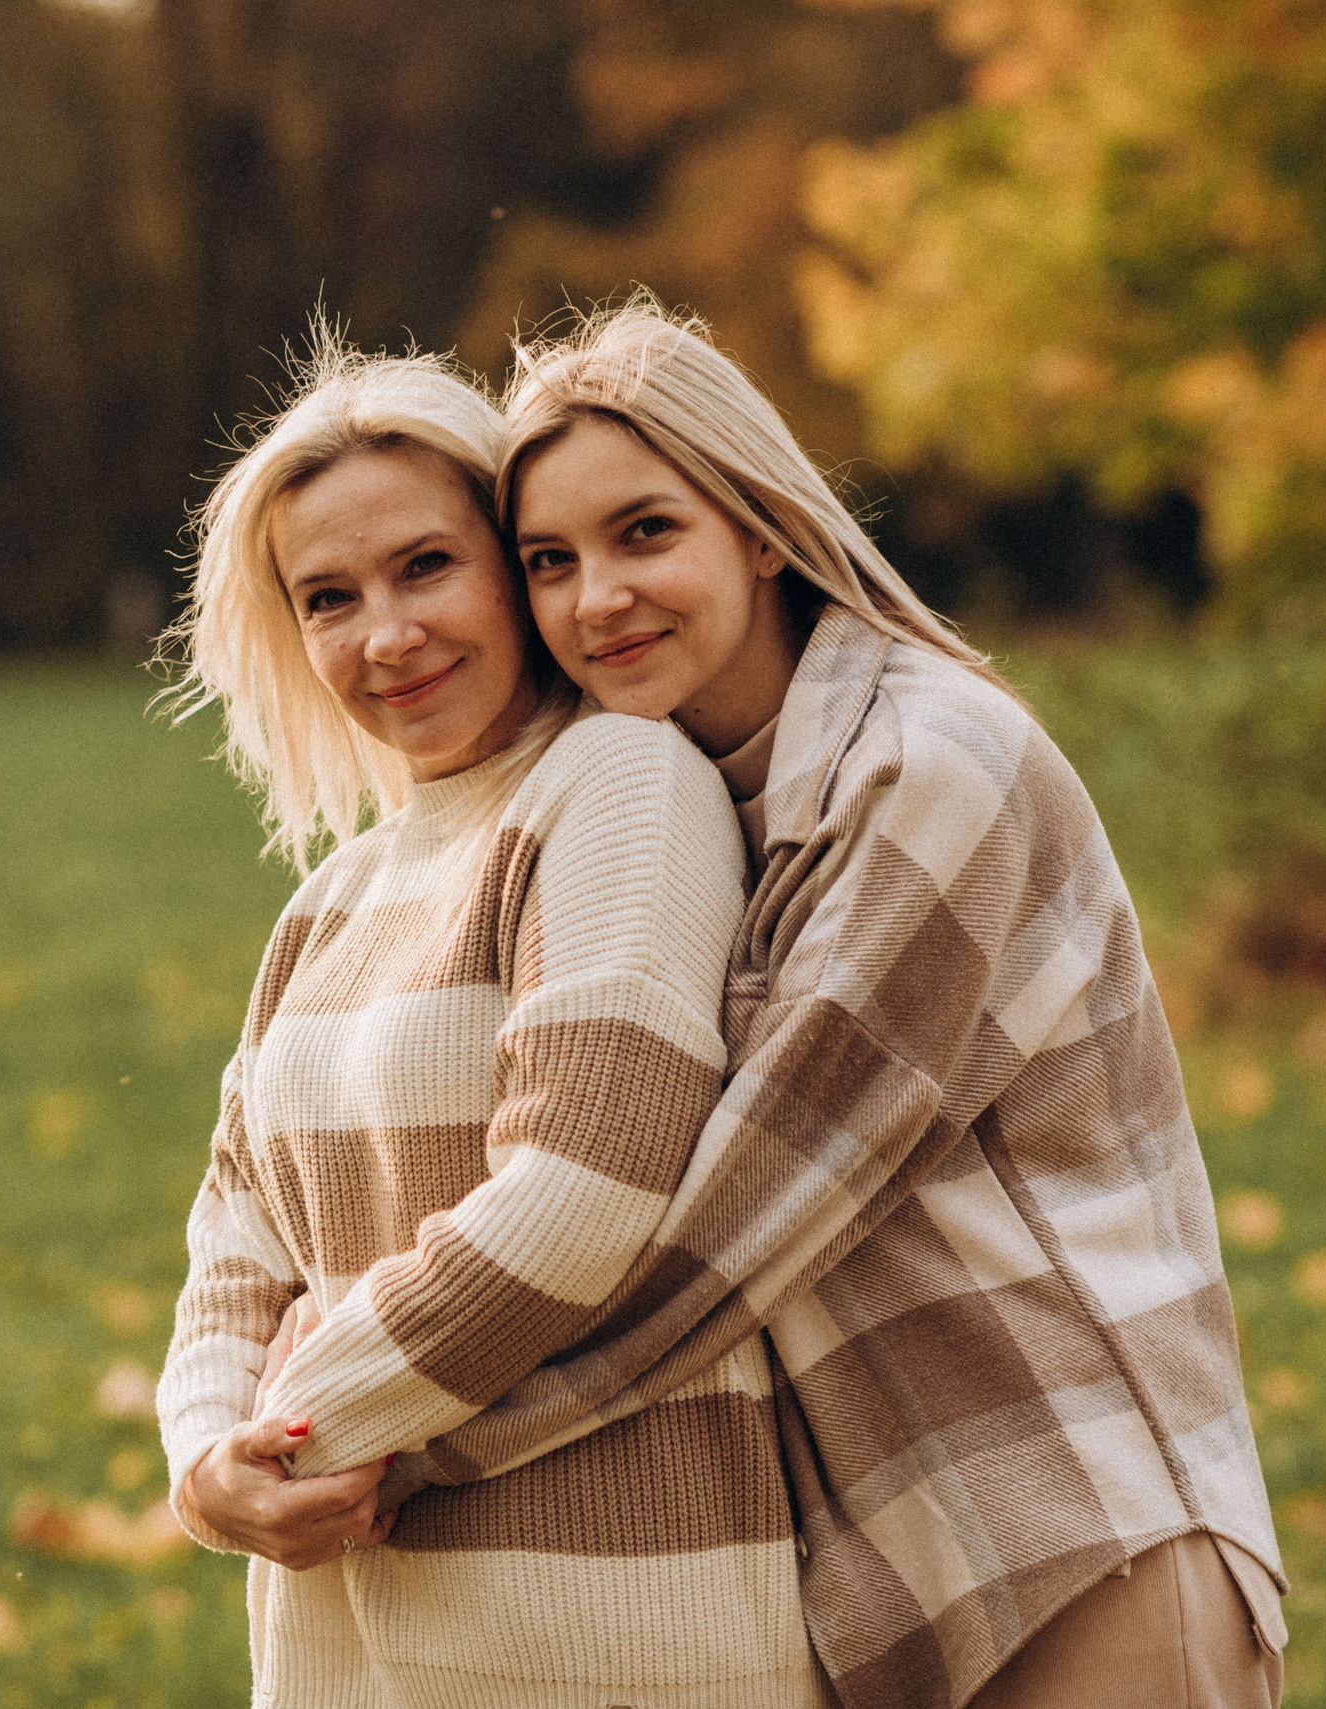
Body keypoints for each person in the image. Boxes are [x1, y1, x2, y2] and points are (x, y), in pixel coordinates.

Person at [364, 300, 1289, 1709]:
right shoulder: (666, 799)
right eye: (550, 560)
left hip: (1076, 1537)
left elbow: (736, 1215)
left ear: (760, 523)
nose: (597, 596)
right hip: (876, 1580)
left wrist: (390, 1441)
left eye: (645, 532)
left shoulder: (928, 765)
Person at [153, 336, 826, 1707]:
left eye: (426, 567)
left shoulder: (618, 786)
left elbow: (583, 1183)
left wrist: (301, 1432)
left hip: (611, 1629)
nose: (386, 636)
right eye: (329, 597)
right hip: (354, 1637)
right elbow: (235, 1230)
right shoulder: (333, 898)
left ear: (515, 569)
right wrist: (210, 1469)